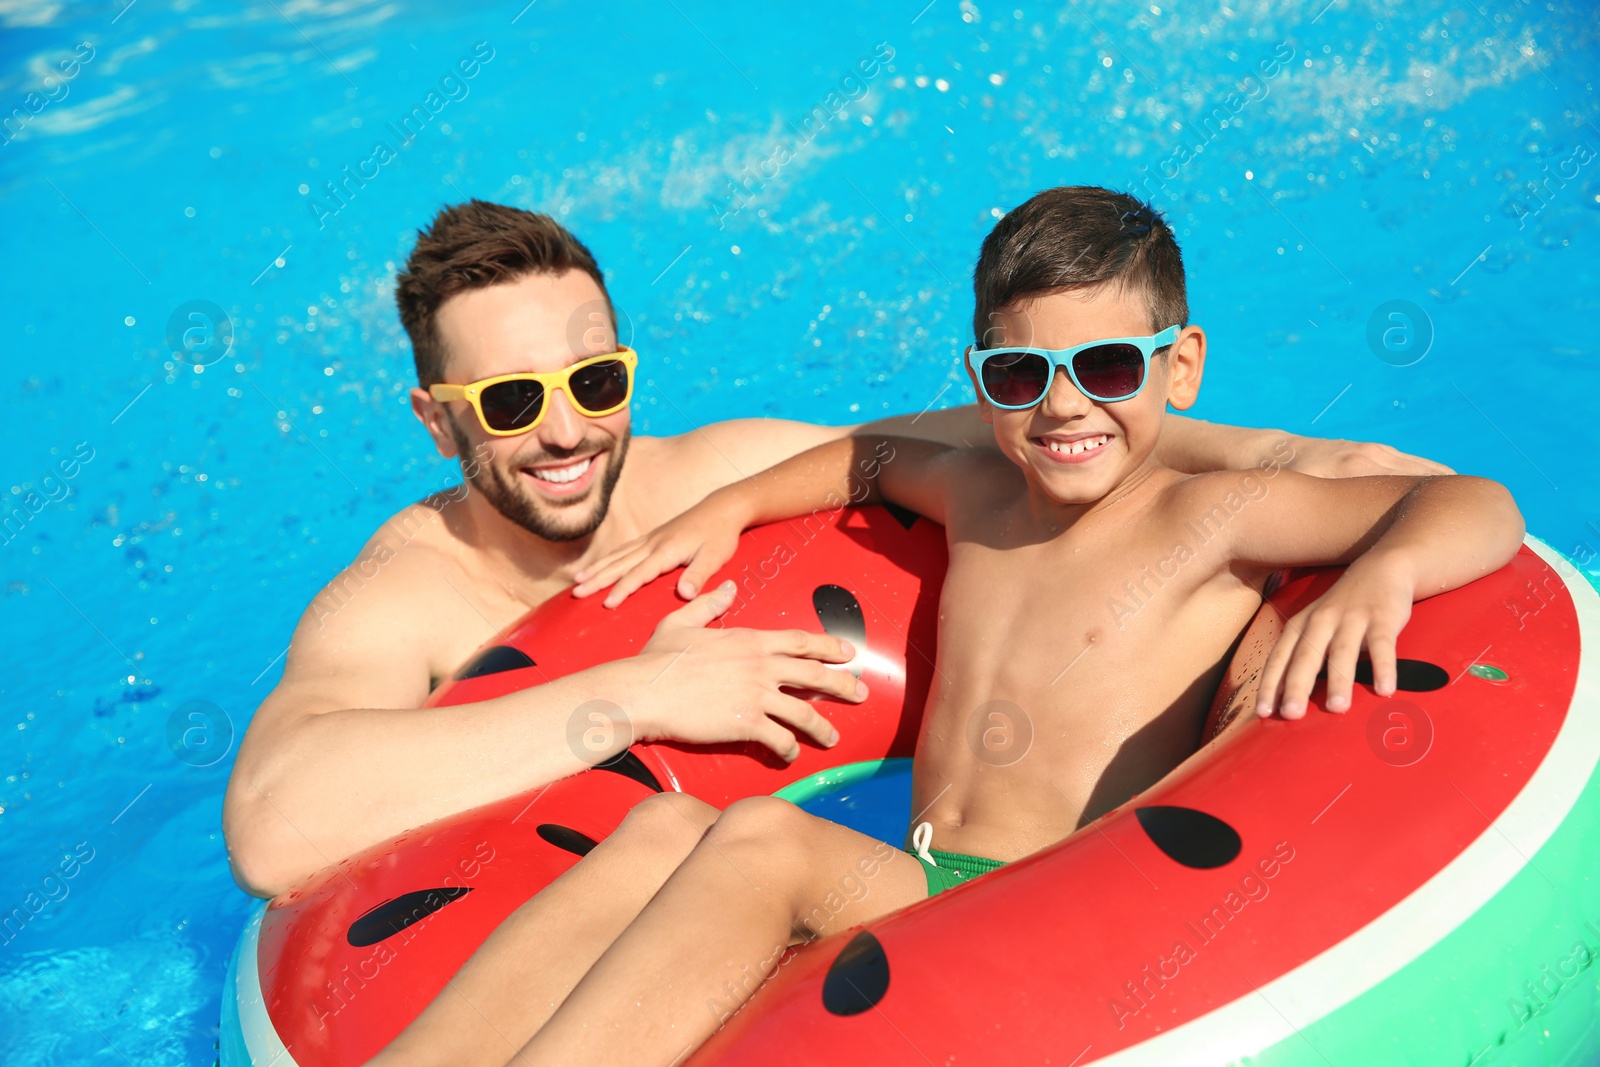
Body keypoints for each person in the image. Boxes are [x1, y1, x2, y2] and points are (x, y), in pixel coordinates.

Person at [368, 187, 1522, 1066]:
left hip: (1042, 905)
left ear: (1180, 368)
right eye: (1022, 374)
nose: (1064, 403)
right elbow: (861, 456)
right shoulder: (975, 494)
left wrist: (1389, 573)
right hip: (918, 878)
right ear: (981, 379)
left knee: (761, 840)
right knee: (664, 826)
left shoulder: (1215, 516)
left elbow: (1476, 501)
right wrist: (726, 505)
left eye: (1106, 365)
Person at [223, 199, 1451, 898]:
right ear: (433, 418)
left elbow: (1051, 427)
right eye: (505, 402)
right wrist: (637, 692)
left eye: (594, 378)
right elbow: (276, 830)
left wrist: (1343, 489)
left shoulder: (724, 474)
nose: (563, 430)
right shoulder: (410, 592)